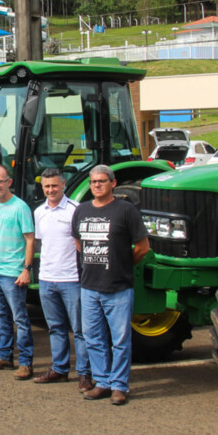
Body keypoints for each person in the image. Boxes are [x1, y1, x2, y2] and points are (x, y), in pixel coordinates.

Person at [71, 165, 149, 406]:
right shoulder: (82, 210)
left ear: (113, 184)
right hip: (89, 287)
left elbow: (143, 247)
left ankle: (119, 386)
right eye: (94, 182)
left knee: (120, 340)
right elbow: (78, 242)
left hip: (118, 287)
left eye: (102, 181)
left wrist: (122, 264)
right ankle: (102, 382)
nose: (97, 185)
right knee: (93, 339)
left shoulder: (126, 210)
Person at [32, 168, 93, 391]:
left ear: (63, 185)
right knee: (55, 327)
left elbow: (82, 246)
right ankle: (59, 368)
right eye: (47, 187)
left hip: (71, 279)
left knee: (80, 329)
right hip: (47, 279)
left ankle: (85, 374)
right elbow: (42, 243)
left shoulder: (76, 210)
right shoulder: (39, 212)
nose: (51, 190)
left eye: (54, 186)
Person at [0, 164, 35, 380]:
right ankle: (4, 356)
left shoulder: (20, 207)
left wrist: (26, 269)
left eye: (0, 181)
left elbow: (30, 240)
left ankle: (26, 362)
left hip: (12, 272)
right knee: (1, 316)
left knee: (19, 318)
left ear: (9, 182)